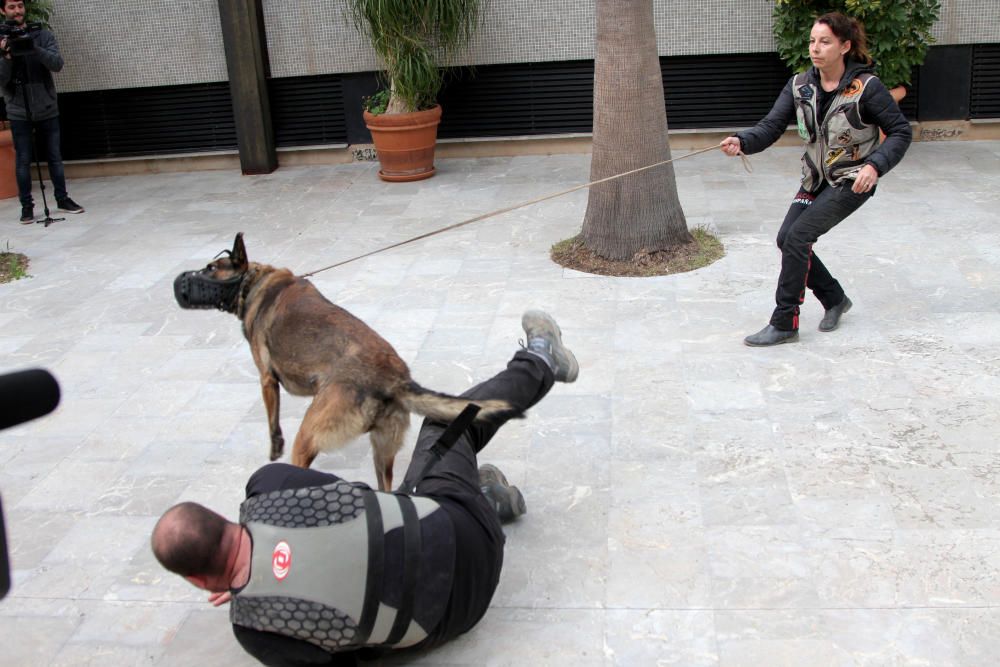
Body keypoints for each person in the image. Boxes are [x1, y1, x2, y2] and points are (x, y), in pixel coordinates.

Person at [151, 310, 579, 666]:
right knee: (447, 425)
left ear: (198, 580)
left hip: (459, 615)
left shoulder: (254, 630)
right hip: (459, 524)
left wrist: (257, 588)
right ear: (222, 517)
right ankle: (540, 362)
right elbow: (354, 502)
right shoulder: (269, 486)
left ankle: (488, 498)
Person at [720, 12, 911, 347]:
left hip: (852, 181)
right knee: (786, 238)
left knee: (798, 237)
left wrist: (875, 166)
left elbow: (900, 132)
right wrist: (743, 141)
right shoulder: (800, 85)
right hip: (814, 179)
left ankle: (784, 322)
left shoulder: (866, 88)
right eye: (812, 41)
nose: (815, 48)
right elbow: (771, 126)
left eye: (825, 41)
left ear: (844, 46)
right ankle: (835, 298)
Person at [0, 0, 83, 224]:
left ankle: (62, 199)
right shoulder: (1, 40)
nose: (17, 10)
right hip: (18, 110)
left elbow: (57, 64)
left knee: (55, 157)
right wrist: (7, 56)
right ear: (2, 10)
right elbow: (1, 80)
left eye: (19, 5)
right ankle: (26, 207)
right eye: (11, 7)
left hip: (47, 107)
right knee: (23, 160)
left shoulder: (42, 35)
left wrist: (32, 46)